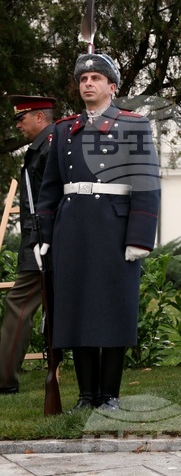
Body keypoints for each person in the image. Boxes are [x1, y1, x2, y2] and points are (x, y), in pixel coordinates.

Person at [35, 53, 160, 412]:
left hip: (114, 228)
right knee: (76, 310)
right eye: (83, 78)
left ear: (112, 86)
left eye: (95, 77)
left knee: (113, 309)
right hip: (71, 229)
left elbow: (146, 184)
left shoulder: (133, 126)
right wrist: (43, 235)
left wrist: (140, 236)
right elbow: (50, 187)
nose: (87, 83)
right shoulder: (63, 130)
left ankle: (109, 396)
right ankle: (86, 396)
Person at [0, 96, 56, 395]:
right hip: (44, 242)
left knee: (19, 305)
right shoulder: (47, 147)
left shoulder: (48, 148)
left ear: (39, 117)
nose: (18, 125)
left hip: (43, 245)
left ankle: (4, 380)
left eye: (22, 118)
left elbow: (52, 202)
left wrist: (41, 242)